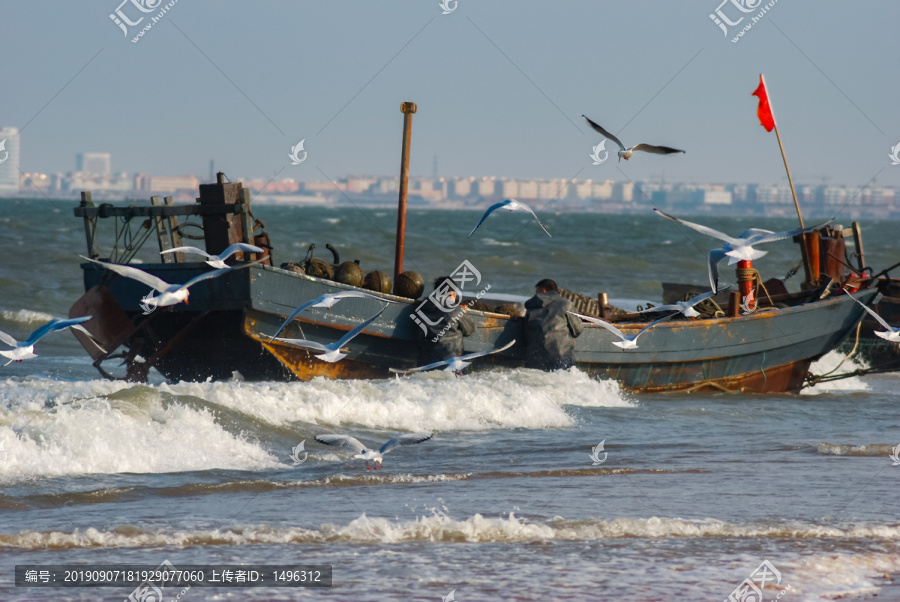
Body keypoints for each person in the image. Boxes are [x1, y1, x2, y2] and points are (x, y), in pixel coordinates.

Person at [523, 279, 583, 370]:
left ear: (543, 290)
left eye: (537, 291)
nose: (536, 294)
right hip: (561, 357)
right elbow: (577, 331)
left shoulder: (530, 308)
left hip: (534, 358)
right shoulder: (565, 304)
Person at [414, 276, 476, 364]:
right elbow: (470, 330)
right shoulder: (457, 310)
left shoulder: (421, 308)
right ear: (452, 293)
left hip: (424, 362)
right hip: (450, 362)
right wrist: (463, 311)